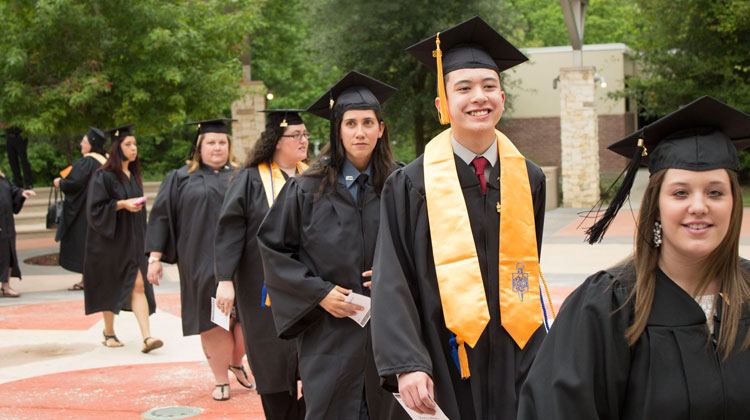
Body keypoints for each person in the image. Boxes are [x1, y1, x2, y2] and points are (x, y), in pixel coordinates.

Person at [517, 96, 750, 419]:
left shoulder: (747, 292)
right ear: (656, 206)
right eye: (680, 192)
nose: (699, 206)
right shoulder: (607, 306)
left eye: (715, 192)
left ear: (733, 204)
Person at [370, 16, 550, 420]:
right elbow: (391, 278)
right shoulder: (410, 184)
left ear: (502, 99)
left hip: (516, 351)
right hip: (441, 353)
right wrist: (407, 362)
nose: (478, 98)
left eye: (489, 87)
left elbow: (527, 265)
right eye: (463, 88)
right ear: (443, 104)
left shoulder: (528, 178)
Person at [257, 71, 408, 420]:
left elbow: (424, 249)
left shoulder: (401, 185)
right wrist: (318, 294)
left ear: (381, 129)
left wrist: (393, 277)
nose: (360, 132)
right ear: (337, 130)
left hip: (391, 331)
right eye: (350, 123)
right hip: (329, 335)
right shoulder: (306, 189)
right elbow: (273, 249)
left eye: (368, 122)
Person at [146, 118, 251, 402]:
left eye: (222, 142)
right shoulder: (180, 178)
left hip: (242, 261)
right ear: (199, 147)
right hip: (199, 260)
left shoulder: (243, 176)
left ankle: (236, 361)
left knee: (244, 322)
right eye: (210, 142)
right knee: (213, 321)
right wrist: (154, 257)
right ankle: (221, 379)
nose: (217, 148)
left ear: (229, 146)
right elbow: (161, 216)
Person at [214, 109, 310, 419]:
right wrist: (225, 279)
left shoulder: (313, 176)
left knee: (313, 362)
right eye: (296, 135)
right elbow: (229, 230)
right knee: (272, 361)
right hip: (262, 290)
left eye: (306, 134)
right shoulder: (249, 179)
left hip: (309, 287)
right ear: (276, 141)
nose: (304, 141)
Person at [83, 124, 162, 353]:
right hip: (109, 243)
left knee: (138, 284)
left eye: (135, 144)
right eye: (128, 144)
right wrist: (121, 204)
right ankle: (108, 331)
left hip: (133, 241)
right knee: (109, 285)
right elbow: (95, 209)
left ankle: (147, 338)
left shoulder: (133, 176)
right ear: (117, 148)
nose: (134, 148)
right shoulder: (103, 176)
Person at [53, 127, 108, 291]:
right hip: (102, 210)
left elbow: (74, 183)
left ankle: (87, 280)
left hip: (84, 212)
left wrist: (60, 183)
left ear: (91, 143)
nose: (81, 144)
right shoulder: (106, 160)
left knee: (85, 244)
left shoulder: (87, 161)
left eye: (84, 141)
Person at [0, 168, 35, 297]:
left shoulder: (3, 179)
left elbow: (14, 191)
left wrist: (21, 193)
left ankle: (5, 286)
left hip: (6, 224)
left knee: (8, 254)